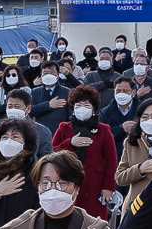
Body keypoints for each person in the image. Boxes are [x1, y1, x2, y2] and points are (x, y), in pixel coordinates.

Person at [49, 84, 118, 217]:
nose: (82, 109)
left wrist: (108, 187)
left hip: (94, 185)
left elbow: (111, 160)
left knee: (93, 221)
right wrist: (70, 143)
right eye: (78, 105)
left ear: (93, 109)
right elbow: (52, 152)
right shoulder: (64, 128)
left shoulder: (103, 130)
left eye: (86, 105)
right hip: (67, 182)